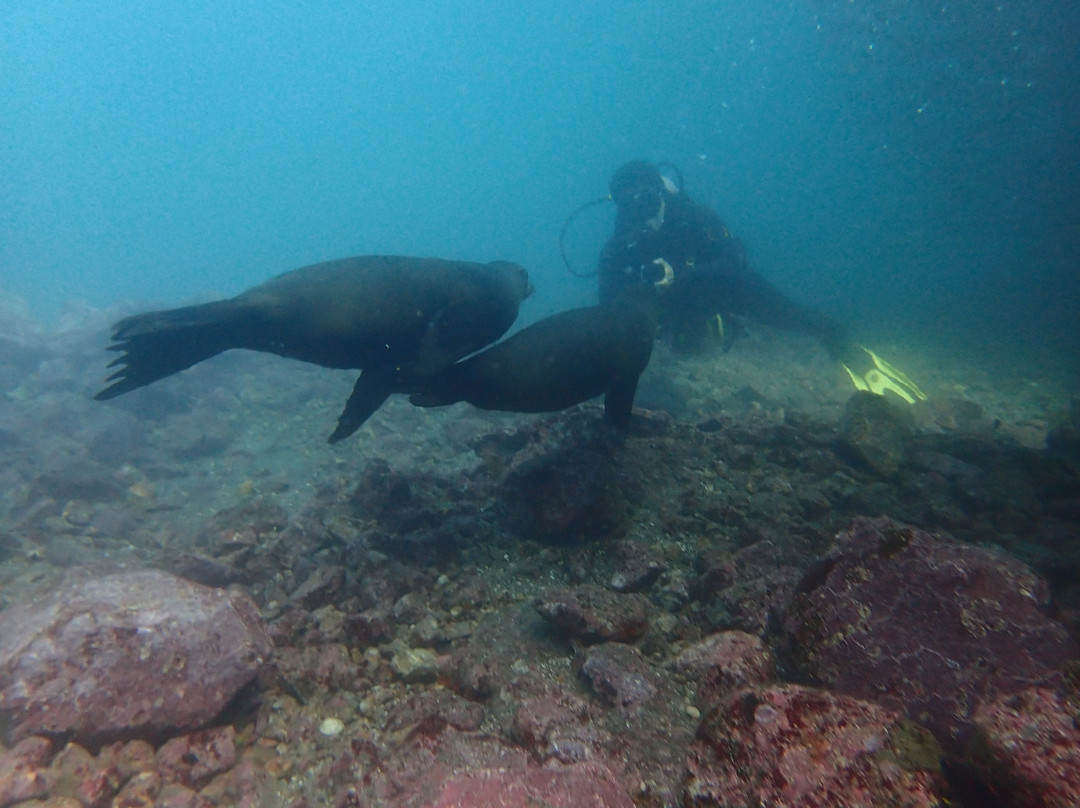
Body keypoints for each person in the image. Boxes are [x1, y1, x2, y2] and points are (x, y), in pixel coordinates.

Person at [595, 160, 925, 402]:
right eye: (629, 203)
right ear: (618, 206)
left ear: (662, 194)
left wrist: (688, 274)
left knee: (790, 314)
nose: (641, 210)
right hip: (666, 315)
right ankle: (708, 330)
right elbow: (606, 314)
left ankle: (848, 350)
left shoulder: (696, 218)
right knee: (668, 345)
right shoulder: (616, 250)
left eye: (647, 199)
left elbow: (736, 259)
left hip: (715, 291)